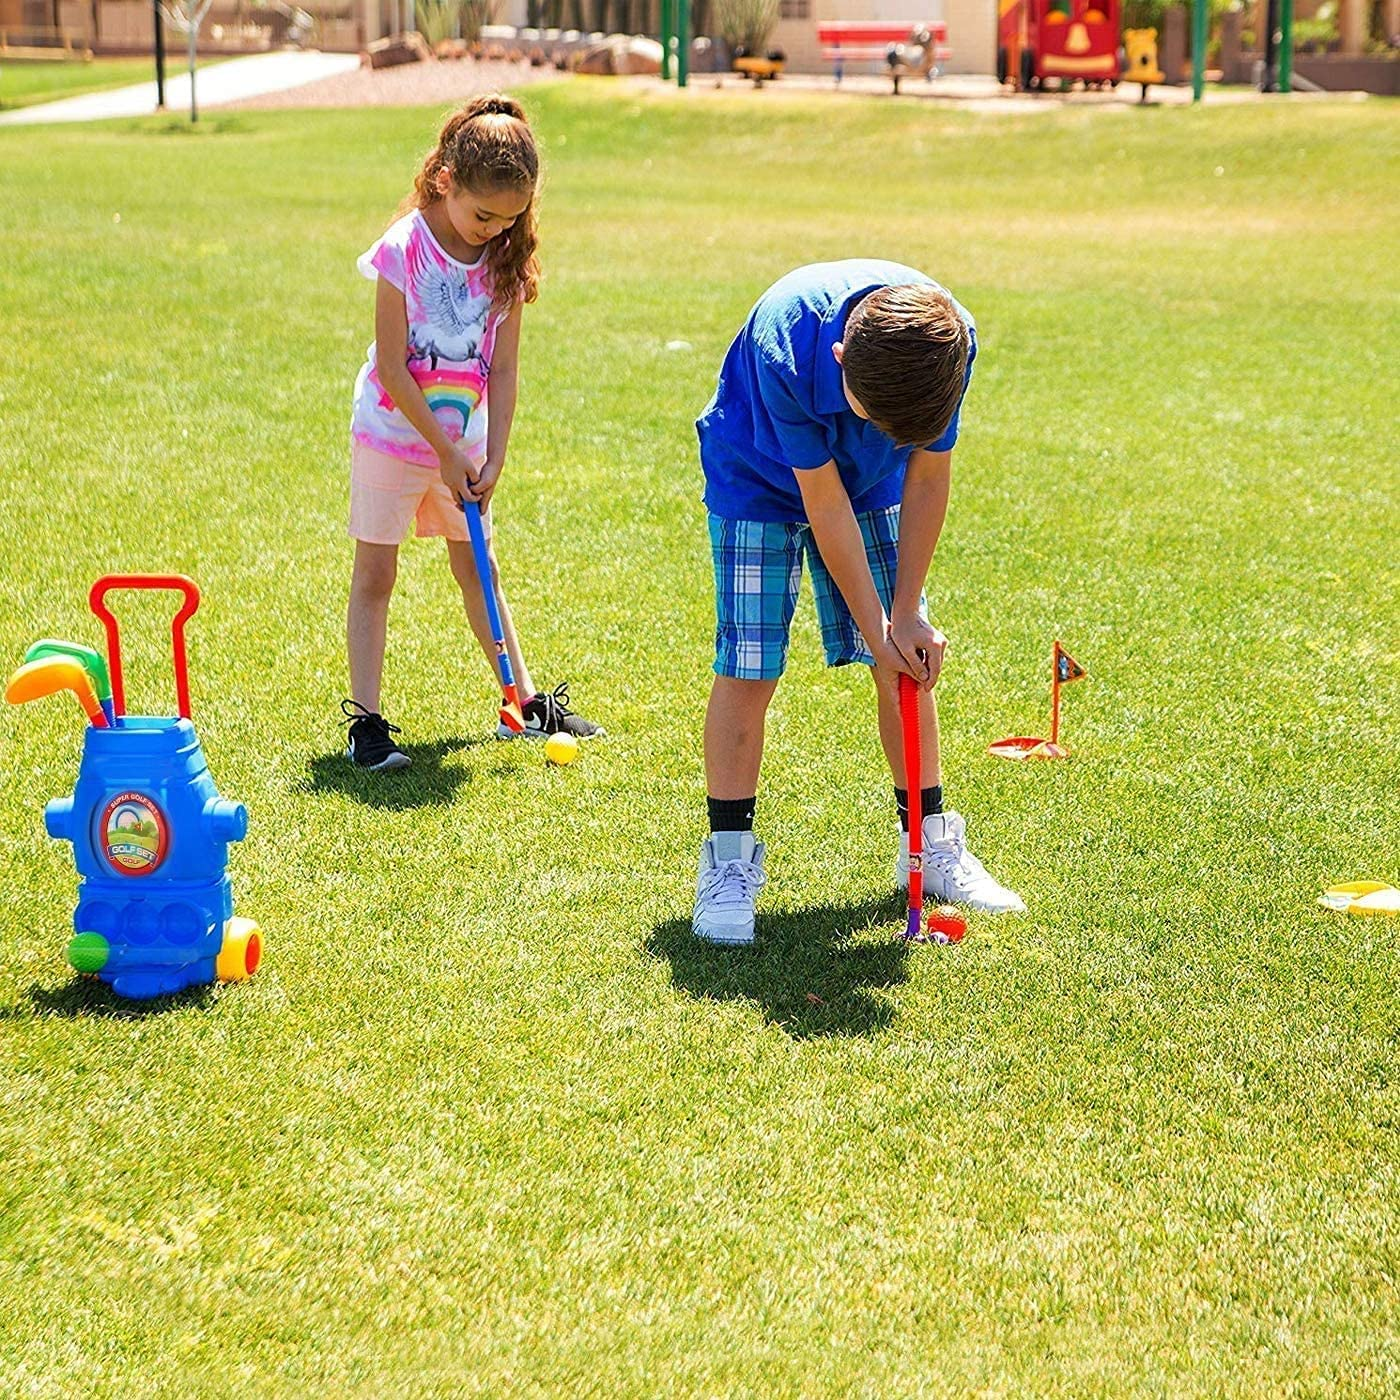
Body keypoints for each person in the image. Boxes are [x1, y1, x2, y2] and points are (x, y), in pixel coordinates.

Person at [692, 260, 1024, 943]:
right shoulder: (786, 346)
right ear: (842, 358)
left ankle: (929, 844)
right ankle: (727, 863)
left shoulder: (945, 348)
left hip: (874, 483)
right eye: (873, 417)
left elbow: (927, 476)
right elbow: (823, 503)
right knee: (750, 666)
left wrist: (905, 616)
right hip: (756, 478)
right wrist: (876, 627)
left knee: (904, 664)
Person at [342, 94, 602, 770]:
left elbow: (505, 368)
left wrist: (494, 456)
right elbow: (393, 367)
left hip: (467, 448)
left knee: (479, 569)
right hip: (393, 437)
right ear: (446, 180)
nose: (494, 230)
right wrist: (444, 450)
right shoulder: (403, 250)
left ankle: (522, 701)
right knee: (376, 573)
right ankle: (365, 724)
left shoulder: (505, 261)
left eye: (510, 218)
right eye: (484, 215)